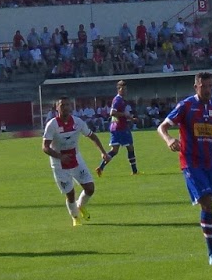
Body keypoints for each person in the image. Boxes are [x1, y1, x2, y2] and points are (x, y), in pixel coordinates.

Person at [157, 72, 212, 265]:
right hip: (191, 163)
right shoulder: (186, 106)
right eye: (204, 86)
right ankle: (211, 253)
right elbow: (162, 127)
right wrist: (169, 139)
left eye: (210, 86)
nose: (207, 90)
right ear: (196, 87)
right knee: (206, 203)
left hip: (211, 163)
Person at [42, 97, 106, 225]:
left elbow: (91, 135)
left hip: (76, 158)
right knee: (70, 194)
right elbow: (45, 147)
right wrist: (60, 157)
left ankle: (81, 205)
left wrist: (103, 152)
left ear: (71, 107)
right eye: (62, 105)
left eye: (67, 105)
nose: (65, 107)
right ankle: (75, 217)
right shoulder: (52, 125)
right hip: (59, 163)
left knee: (90, 188)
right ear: (57, 108)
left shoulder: (78, 122)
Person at [97, 79, 139, 175]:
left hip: (116, 127)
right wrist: (126, 116)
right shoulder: (118, 100)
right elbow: (112, 113)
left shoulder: (121, 100)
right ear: (118, 89)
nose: (124, 91)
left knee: (114, 151)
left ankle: (101, 167)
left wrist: (130, 118)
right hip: (121, 128)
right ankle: (135, 171)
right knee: (130, 148)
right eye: (122, 89)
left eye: (125, 89)